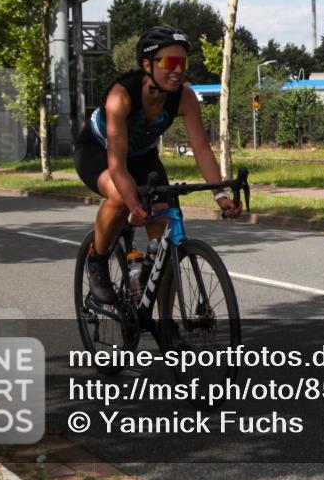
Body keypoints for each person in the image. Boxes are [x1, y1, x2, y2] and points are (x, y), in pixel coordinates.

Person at [74, 25, 241, 304]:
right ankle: (97, 260)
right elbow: (116, 164)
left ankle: (164, 322)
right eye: (170, 63)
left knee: (164, 236)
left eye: (183, 63)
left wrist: (220, 194)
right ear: (147, 65)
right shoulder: (121, 97)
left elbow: (200, 148)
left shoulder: (184, 97)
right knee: (118, 197)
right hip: (99, 152)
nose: (178, 70)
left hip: (143, 157)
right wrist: (133, 203)